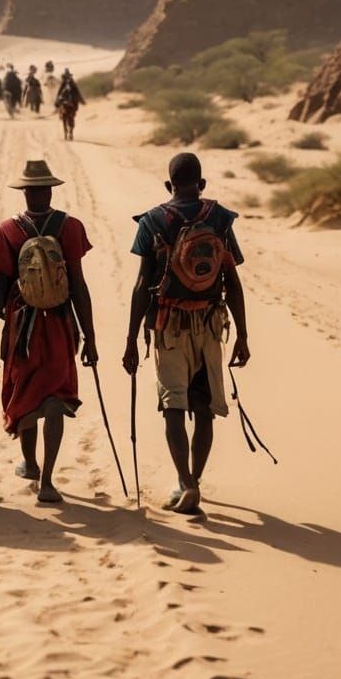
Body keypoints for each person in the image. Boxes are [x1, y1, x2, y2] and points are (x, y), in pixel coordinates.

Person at [123, 151, 250, 516]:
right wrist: (242, 335)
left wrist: (131, 338)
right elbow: (233, 283)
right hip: (211, 325)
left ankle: (186, 483)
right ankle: (194, 477)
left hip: (168, 326)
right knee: (204, 408)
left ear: (168, 185)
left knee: (173, 406)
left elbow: (141, 283)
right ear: (202, 184)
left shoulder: (152, 221)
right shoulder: (220, 219)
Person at [0, 159, 99, 505]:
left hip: (22, 327)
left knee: (25, 394)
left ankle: (30, 464)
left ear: (25, 192)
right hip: (60, 325)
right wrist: (89, 336)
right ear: (48, 190)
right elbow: (78, 285)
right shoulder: (71, 228)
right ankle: (47, 479)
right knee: (55, 398)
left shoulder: (7, 231)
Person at [55, 68, 83, 140]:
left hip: (72, 103)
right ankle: (67, 132)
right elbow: (59, 93)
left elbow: (77, 93)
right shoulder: (63, 84)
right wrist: (57, 100)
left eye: (67, 76)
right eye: (66, 77)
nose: (66, 78)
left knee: (71, 117)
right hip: (65, 103)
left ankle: (70, 132)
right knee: (64, 116)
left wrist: (81, 100)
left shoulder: (72, 84)